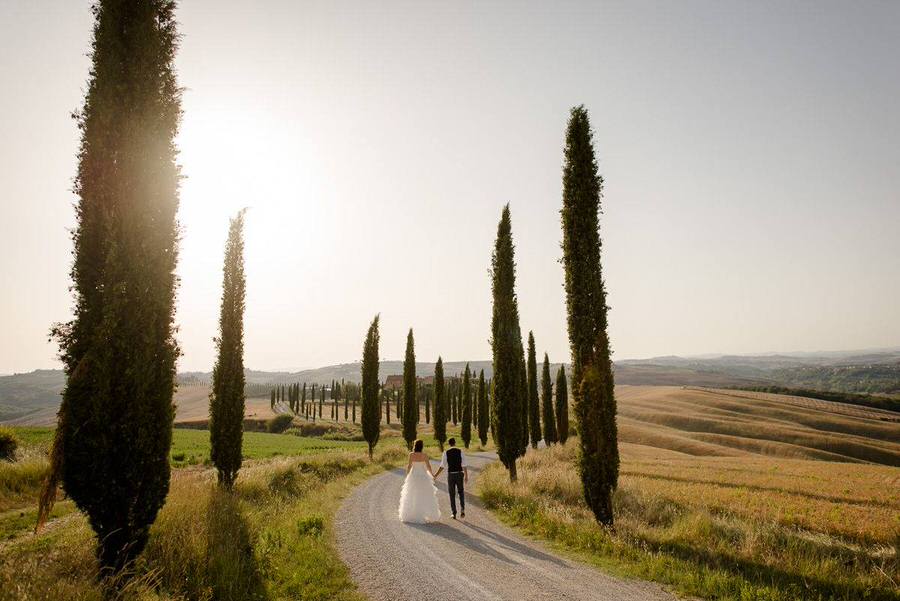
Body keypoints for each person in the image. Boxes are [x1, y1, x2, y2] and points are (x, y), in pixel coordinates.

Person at [398, 439, 441, 523]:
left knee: (412, 495)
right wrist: (432, 475)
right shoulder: (424, 455)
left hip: (413, 476)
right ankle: (425, 514)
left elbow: (409, 466)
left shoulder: (411, 455)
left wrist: (407, 475)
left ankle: (411, 515)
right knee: (425, 495)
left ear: (415, 446)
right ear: (421, 446)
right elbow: (428, 466)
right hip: (423, 477)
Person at [432, 437, 468, 519]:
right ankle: (462, 509)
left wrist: (436, 475)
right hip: (459, 474)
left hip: (451, 475)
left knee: (452, 494)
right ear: (455, 443)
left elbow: (442, 466)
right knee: (461, 492)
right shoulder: (460, 451)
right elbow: (464, 464)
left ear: (449, 444)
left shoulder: (446, 452)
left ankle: (454, 513)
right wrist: (466, 476)